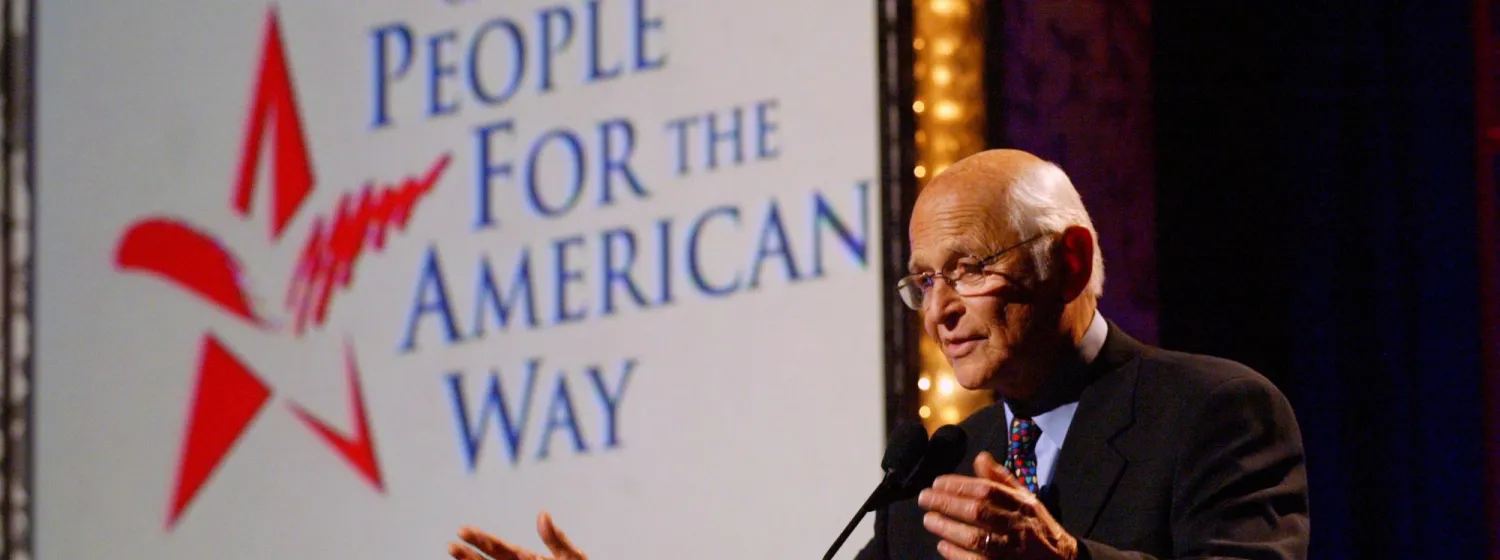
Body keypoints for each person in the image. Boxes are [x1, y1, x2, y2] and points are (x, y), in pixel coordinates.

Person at [445, 149, 1310, 560]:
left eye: (968, 269)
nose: (939, 309)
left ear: (1070, 260)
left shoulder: (1211, 410)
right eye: (922, 281)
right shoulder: (931, 480)